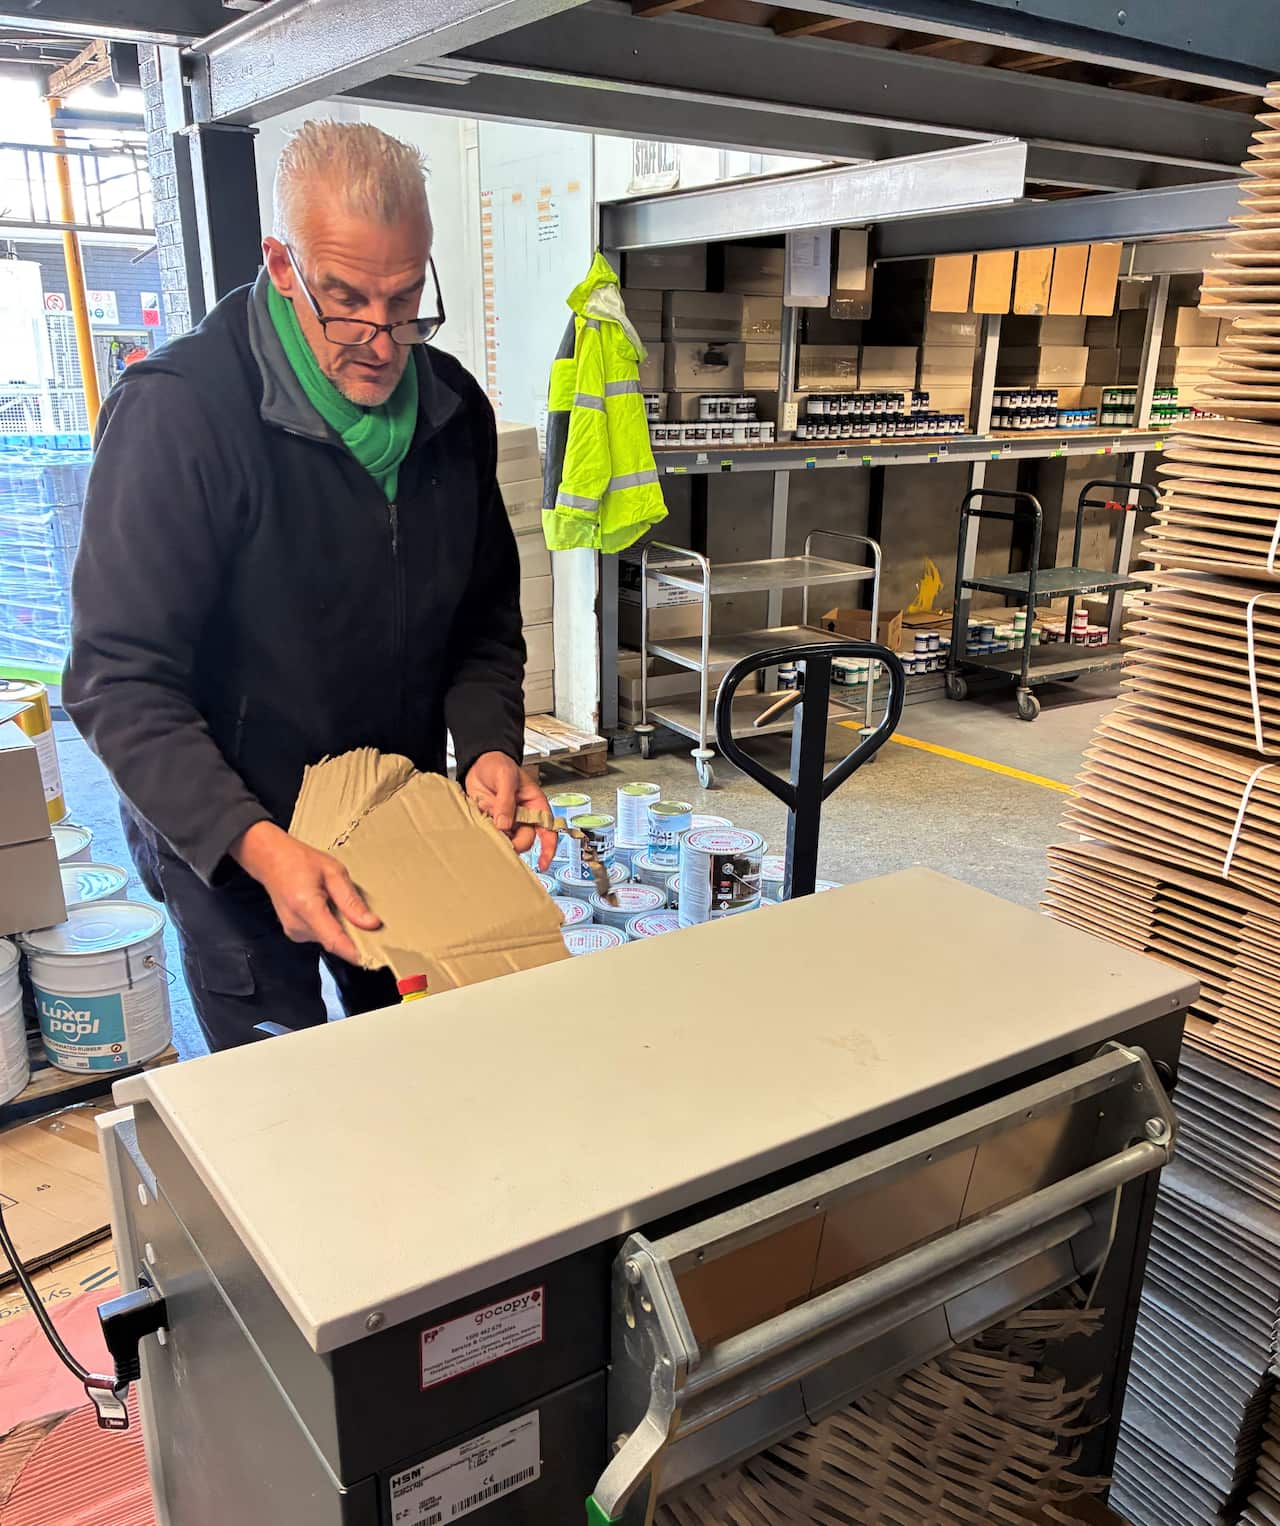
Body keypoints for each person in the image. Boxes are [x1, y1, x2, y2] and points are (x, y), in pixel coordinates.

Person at [64, 120, 553, 1052]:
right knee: (284, 1093)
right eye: (346, 300)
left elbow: (484, 622)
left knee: (419, 1053)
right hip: (242, 844)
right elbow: (116, 681)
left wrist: (490, 747)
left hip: (397, 820)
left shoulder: (452, 411)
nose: (379, 340)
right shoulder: (179, 416)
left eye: (406, 301)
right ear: (281, 265)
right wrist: (256, 845)